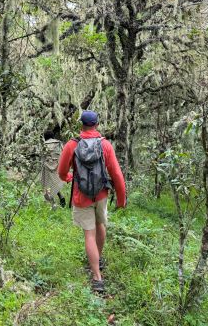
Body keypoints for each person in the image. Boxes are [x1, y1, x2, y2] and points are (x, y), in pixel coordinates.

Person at [57, 110, 126, 293]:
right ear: (96, 124)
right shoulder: (105, 145)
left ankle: (97, 278)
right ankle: (98, 258)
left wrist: (69, 178)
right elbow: (117, 174)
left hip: (81, 196)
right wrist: (121, 199)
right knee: (100, 224)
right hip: (101, 194)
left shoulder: (72, 145)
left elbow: (61, 171)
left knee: (89, 234)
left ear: (81, 124)